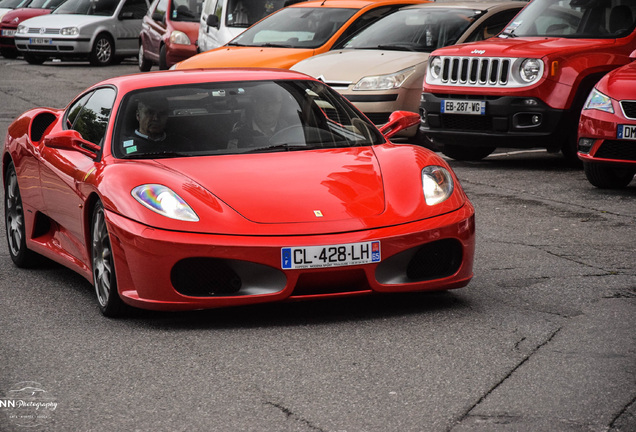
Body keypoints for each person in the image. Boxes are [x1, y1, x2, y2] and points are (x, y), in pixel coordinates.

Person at [121, 93, 193, 156]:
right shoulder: (121, 147)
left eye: (162, 114)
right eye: (150, 113)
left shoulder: (181, 143)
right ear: (138, 116)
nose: (156, 118)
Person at [228, 84, 291, 149]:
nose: (269, 108)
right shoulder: (238, 135)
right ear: (254, 104)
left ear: (281, 105)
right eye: (263, 102)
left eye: (274, 102)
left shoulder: (290, 132)